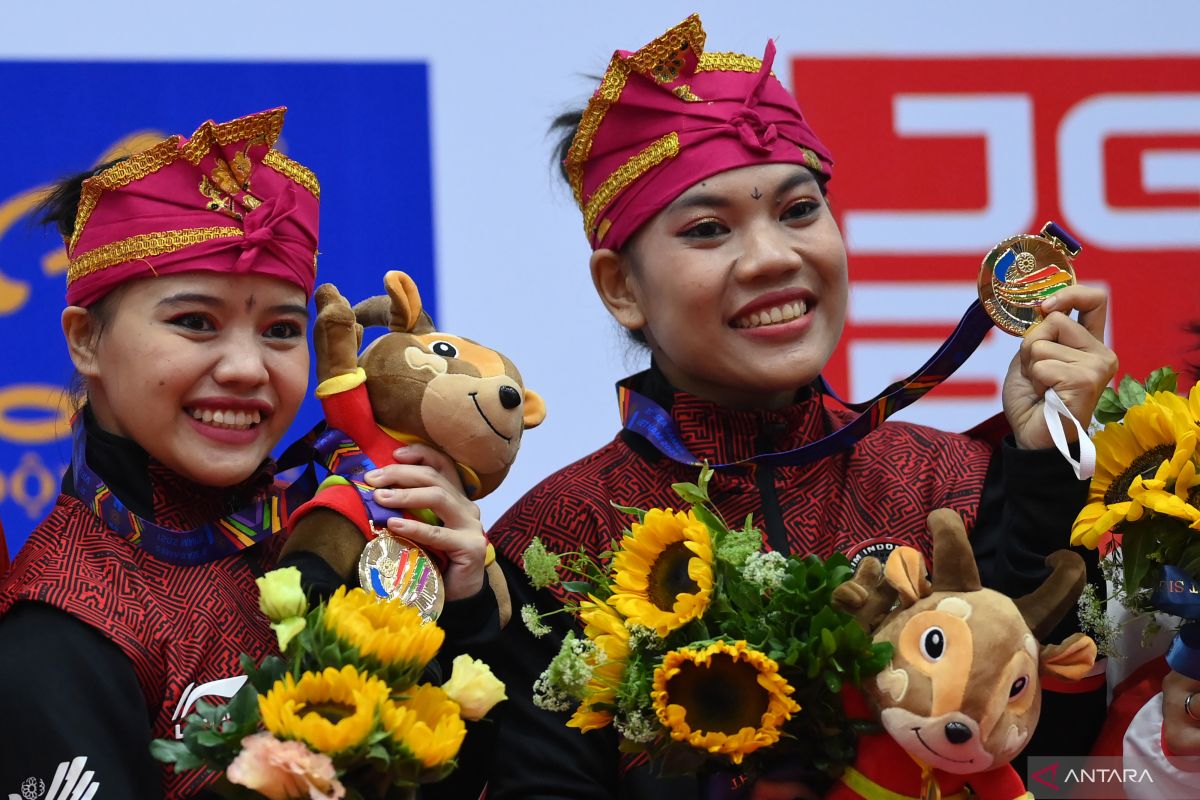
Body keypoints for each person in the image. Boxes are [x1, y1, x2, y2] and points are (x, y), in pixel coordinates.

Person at [477, 15, 1118, 799]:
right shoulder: (560, 539)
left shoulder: (953, 481)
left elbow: (1062, 762)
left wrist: (1047, 466)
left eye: (799, 210)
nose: (776, 256)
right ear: (621, 288)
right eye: (710, 229)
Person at [0, 108, 494, 799]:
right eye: (195, 322)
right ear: (85, 341)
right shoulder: (60, 625)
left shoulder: (353, 535)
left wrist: (465, 610)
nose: (246, 367)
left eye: (282, 329)